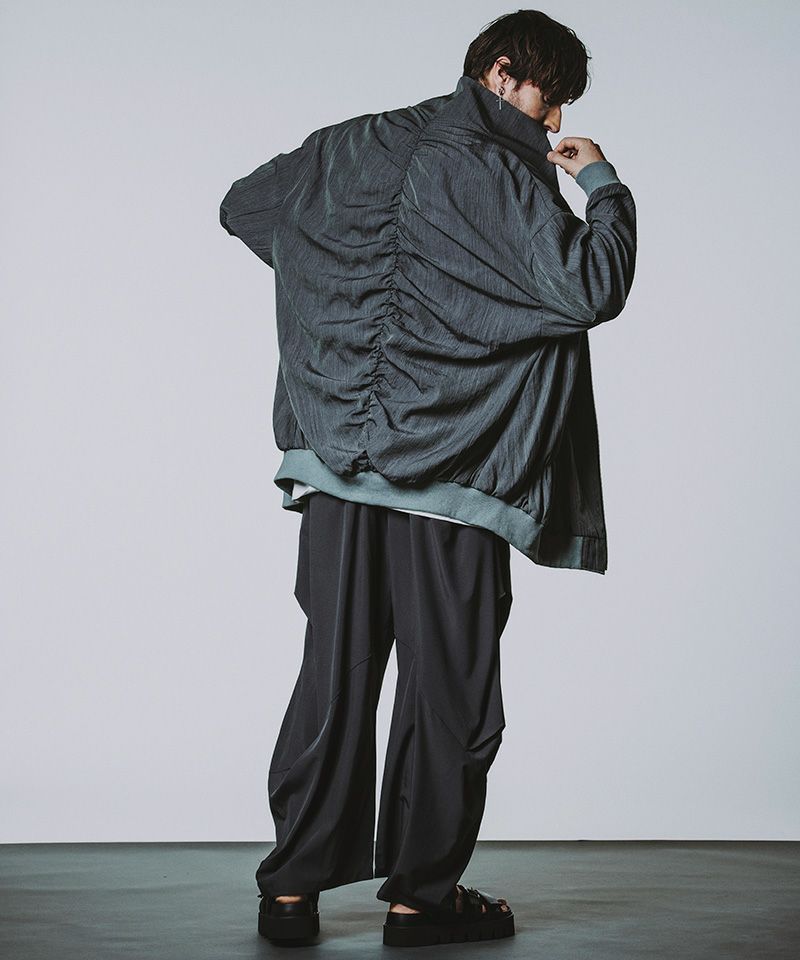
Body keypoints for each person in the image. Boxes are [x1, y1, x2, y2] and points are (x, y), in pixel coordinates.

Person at [219, 8, 637, 948]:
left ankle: (290, 895)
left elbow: (245, 208)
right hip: (456, 474)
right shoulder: (506, 174)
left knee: (332, 680)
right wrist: (600, 181)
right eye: (550, 97)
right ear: (503, 73)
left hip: (336, 469)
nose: (555, 118)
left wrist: (337, 276)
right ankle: (421, 900)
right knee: (450, 692)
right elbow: (592, 286)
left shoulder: (351, 144)